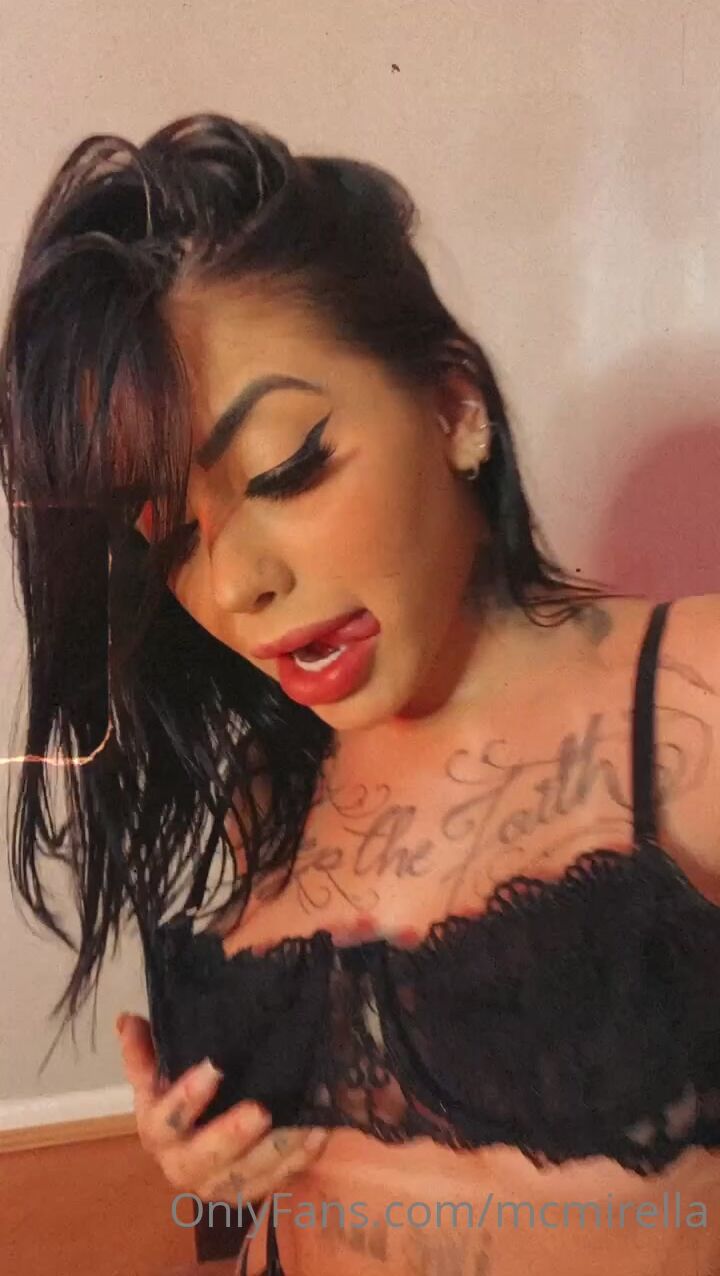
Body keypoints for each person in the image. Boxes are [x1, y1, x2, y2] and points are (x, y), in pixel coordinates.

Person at [1, 113, 719, 1276]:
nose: (235, 584)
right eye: (169, 534)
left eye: (287, 468)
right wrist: (205, 1159)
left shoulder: (694, 691)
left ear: (453, 406)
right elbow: (302, 1179)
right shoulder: (268, 783)